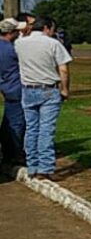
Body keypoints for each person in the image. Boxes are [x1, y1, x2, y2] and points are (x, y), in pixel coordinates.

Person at [15, 16, 71, 179]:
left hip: (28, 89)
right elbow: (64, 69)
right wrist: (65, 89)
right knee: (46, 129)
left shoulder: (20, 43)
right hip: (48, 89)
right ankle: (45, 168)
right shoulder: (53, 43)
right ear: (47, 28)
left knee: (32, 129)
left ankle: (32, 165)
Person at [0, 19, 25, 168]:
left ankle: (8, 152)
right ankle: (14, 154)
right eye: (16, 31)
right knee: (17, 123)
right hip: (16, 87)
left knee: (8, 121)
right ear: (10, 32)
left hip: (5, 87)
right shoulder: (11, 49)